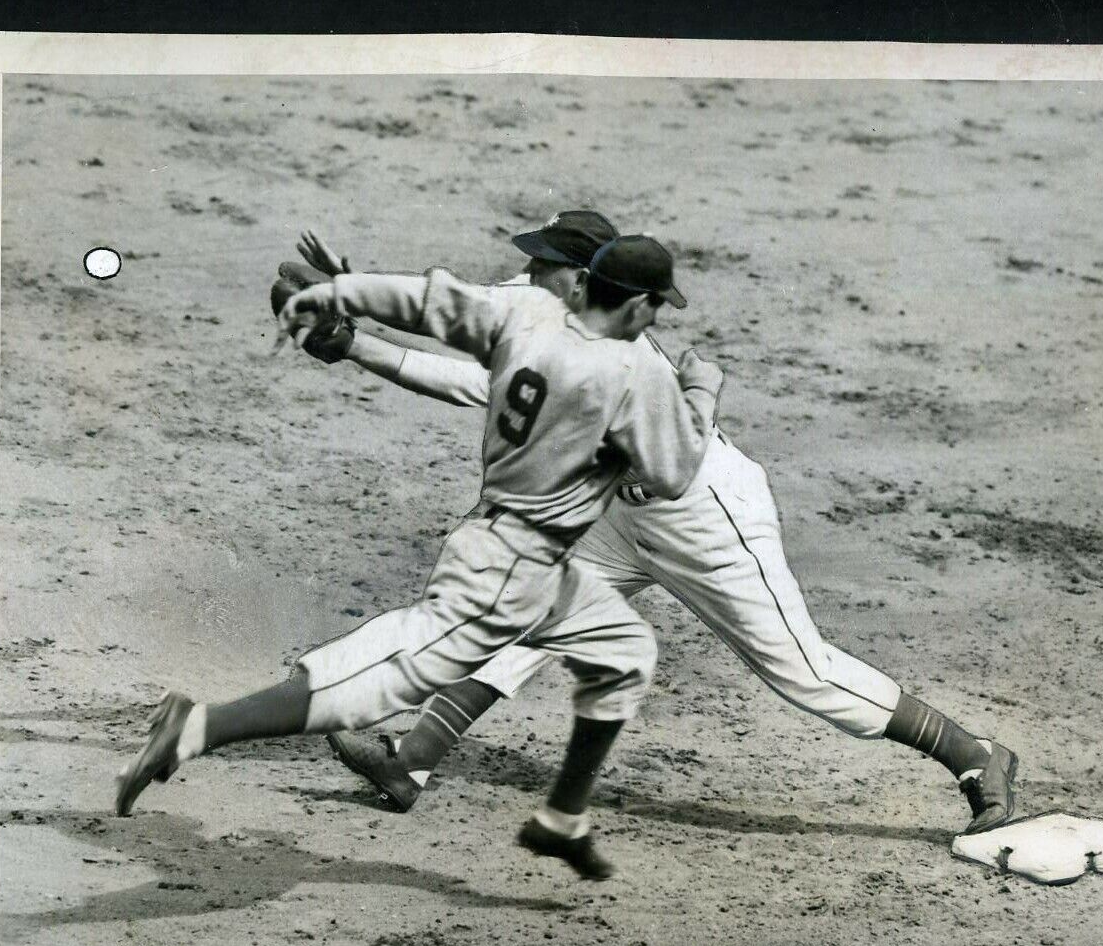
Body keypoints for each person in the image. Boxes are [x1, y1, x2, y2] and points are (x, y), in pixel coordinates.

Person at [282, 211, 1018, 866]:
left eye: (541, 265)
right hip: (619, 516)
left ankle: (974, 754)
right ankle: (411, 758)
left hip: (704, 519)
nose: (525, 275)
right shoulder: (558, 306)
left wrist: (356, 344)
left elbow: (480, 382)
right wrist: (351, 313)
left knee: (804, 673)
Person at [115, 233, 723, 883]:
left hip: (528, 553)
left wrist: (342, 296)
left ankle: (562, 820)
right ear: (634, 307)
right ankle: (199, 725)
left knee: (622, 649)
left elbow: (426, 299)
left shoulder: (528, 315)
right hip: (507, 567)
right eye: (655, 307)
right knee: (387, 675)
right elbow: (674, 473)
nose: (656, 319)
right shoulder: (634, 372)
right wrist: (700, 392)